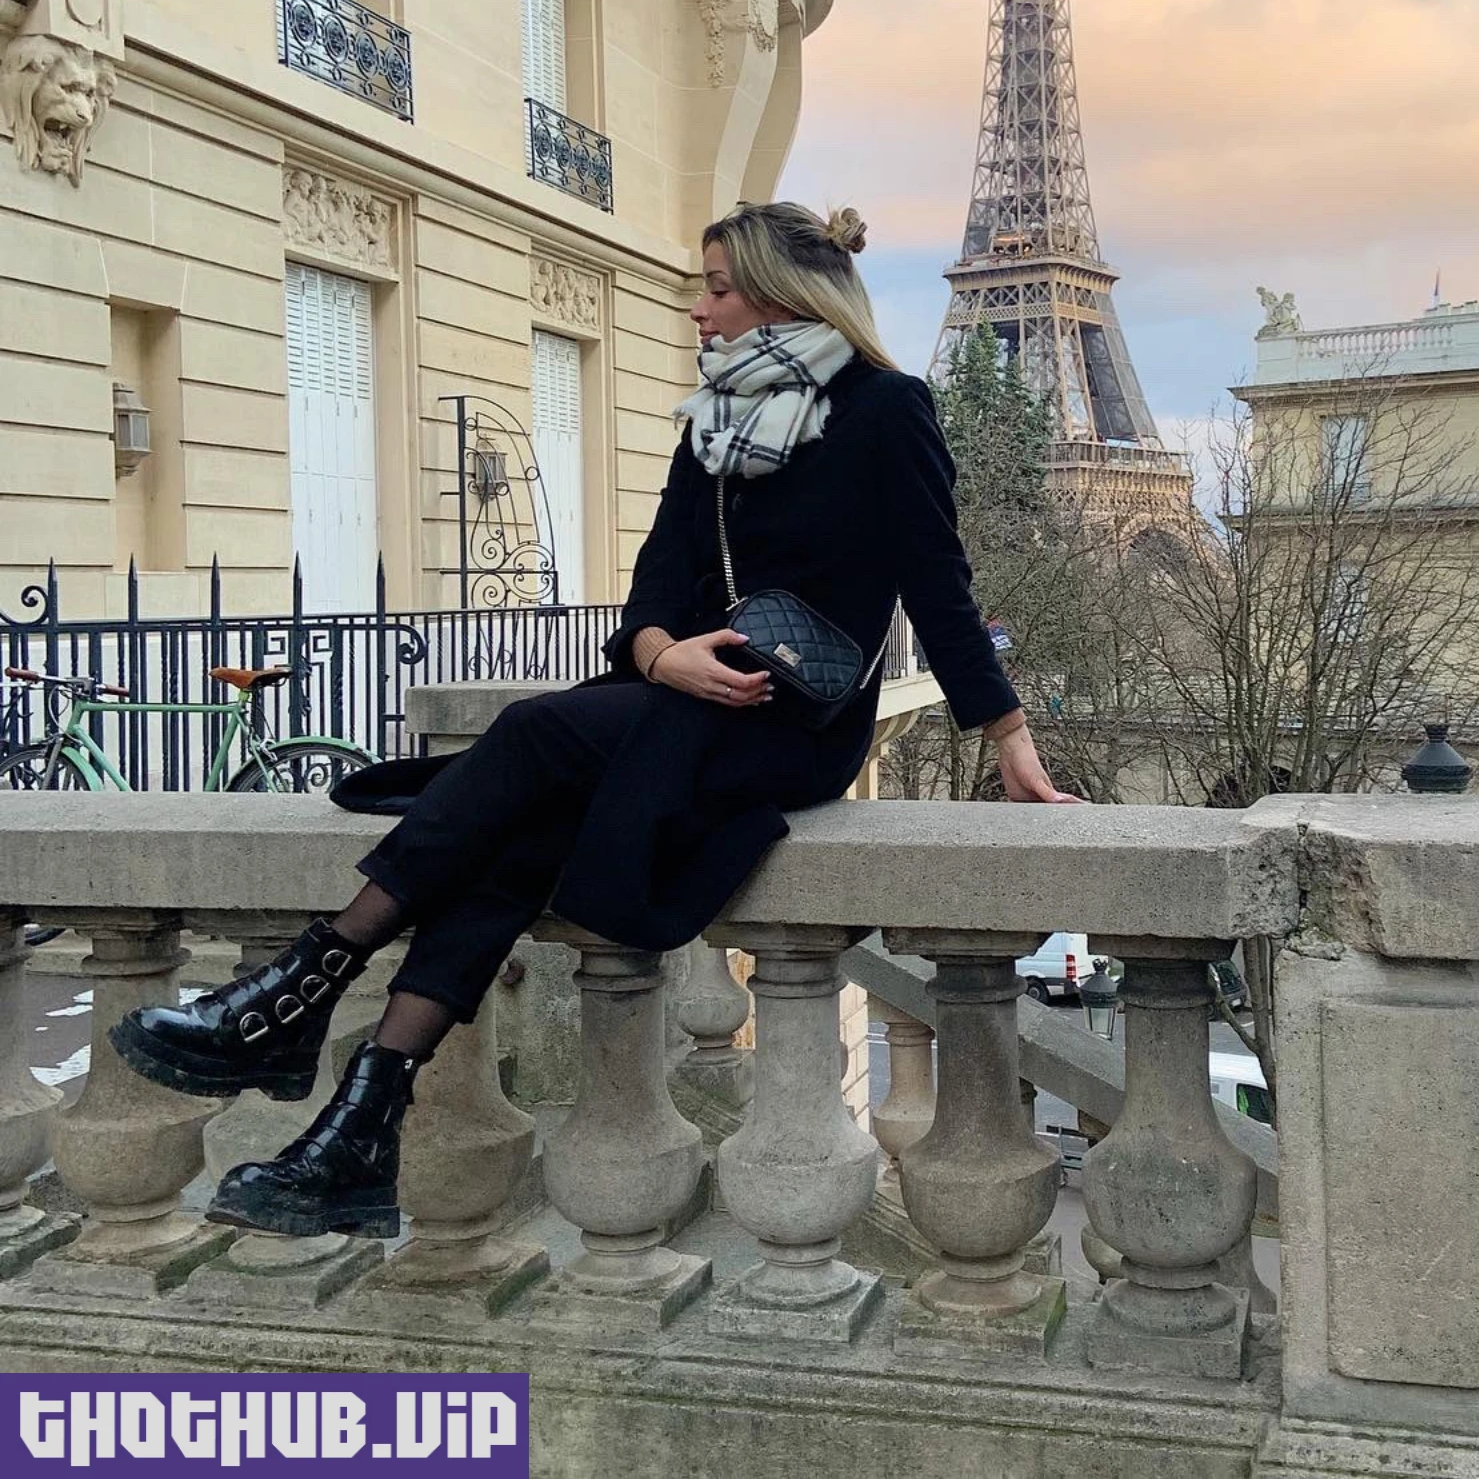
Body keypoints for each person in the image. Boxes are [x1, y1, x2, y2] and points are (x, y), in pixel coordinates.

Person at [109, 201, 1070, 1239]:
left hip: (788, 722)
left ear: (780, 292)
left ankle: (295, 992)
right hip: (684, 694)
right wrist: (664, 654)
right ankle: (359, 1127)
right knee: (516, 839)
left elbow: (938, 584)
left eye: (717, 287)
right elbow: (655, 582)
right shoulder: (715, 419)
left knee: (532, 733)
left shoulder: (887, 407)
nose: (698, 308)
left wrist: (1009, 739)